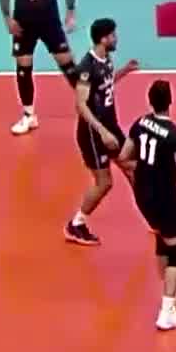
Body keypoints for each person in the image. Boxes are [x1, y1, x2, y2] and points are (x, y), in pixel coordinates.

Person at [0, 0, 80, 135]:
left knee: (68, 65)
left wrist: (71, 10)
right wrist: (7, 17)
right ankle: (29, 116)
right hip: (23, 23)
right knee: (23, 67)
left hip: (50, 21)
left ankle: (89, 106)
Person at [126, 79, 176, 331]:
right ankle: (166, 312)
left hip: (142, 197)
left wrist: (145, 172)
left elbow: (124, 155)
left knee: (161, 238)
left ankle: (170, 293)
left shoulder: (139, 123)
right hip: (164, 199)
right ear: (170, 101)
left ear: (150, 101)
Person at [68, 18, 141, 246]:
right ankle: (76, 224)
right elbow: (81, 104)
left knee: (133, 167)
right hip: (93, 134)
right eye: (112, 36)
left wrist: (124, 71)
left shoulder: (106, 59)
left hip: (111, 126)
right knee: (105, 183)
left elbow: (105, 83)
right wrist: (102, 133)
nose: (116, 39)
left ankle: (152, 213)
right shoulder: (86, 68)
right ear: (103, 39)